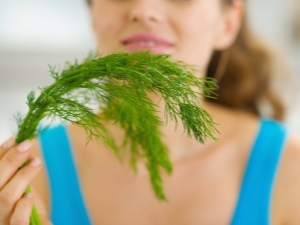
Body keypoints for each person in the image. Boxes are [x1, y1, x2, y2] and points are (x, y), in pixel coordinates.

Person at [1, 0, 300, 224]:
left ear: (228, 23)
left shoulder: (291, 174)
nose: (143, 9)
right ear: (92, 15)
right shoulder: (25, 176)